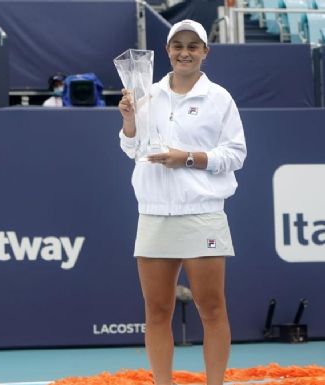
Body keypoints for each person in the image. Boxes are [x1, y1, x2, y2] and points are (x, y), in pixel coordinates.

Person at [117, 19, 246, 385]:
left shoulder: (219, 98)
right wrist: (129, 120)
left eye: (193, 46)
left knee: (211, 308)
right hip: (154, 213)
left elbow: (236, 154)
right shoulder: (148, 95)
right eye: (178, 46)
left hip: (202, 214)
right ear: (167, 50)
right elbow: (131, 148)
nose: (184, 53)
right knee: (157, 311)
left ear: (205, 52)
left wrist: (186, 158)